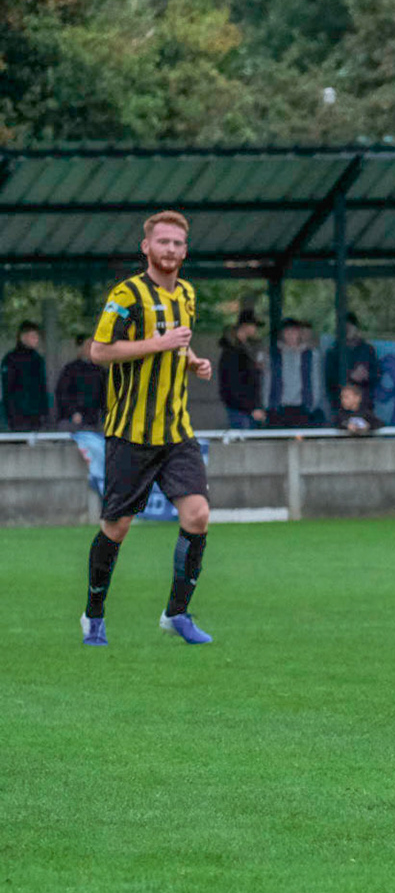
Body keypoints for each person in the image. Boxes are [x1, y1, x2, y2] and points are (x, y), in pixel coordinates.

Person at [81, 210, 217, 646]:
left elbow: (178, 340)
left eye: (178, 244)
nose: (170, 250)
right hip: (130, 434)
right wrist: (156, 345)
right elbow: (99, 351)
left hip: (176, 432)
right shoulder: (127, 295)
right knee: (116, 528)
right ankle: (94, 615)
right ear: (147, 247)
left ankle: (176, 613)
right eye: (163, 242)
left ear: (185, 250)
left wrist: (192, 360)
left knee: (197, 516)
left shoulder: (188, 295)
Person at [266, 318, 324, 427]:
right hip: (280, 406)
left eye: (294, 332)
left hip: (304, 406)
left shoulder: (311, 355)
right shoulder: (274, 355)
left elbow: (315, 381)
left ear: (299, 333)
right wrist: (267, 405)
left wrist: (313, 404)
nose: (291, 336)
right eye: (287, 332)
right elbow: (267, 380)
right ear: (282, 334)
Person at [218, 314, 265, 429]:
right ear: (245, 326)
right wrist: (250, 408)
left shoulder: (245, 349)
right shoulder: (233, 352)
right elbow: (233, 384)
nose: (255, 330)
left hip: (245, 408)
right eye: (254, 326)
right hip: (241, 410)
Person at [3, 321, 50, 431]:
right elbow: (8, 390)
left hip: (36, 416)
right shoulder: (11, 359)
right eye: (33, 336)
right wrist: (12, 415)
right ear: (23, 337)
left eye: (37, 337)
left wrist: (44, 412)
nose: (36, 340)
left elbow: (42, 388)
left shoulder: (37, 359)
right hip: (18, 416)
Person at [56, 334, 108, 429]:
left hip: (94, 421)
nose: (91, 349)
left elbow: (105, 397)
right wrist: (73, 413)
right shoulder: (69, 370)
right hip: (72, 421)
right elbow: (62, 394)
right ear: (79, 348)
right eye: (88, 346)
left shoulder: (100, 371)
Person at [325, 312, 377, 407]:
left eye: (350, 327)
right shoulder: (333, 352)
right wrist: (350, 376)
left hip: (364, 404)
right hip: (341, 406)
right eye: (344, 327)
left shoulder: (367, 349)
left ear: (356, 328)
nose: (347, 330)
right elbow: (330, 379)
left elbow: (377, 374)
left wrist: (366, 375)